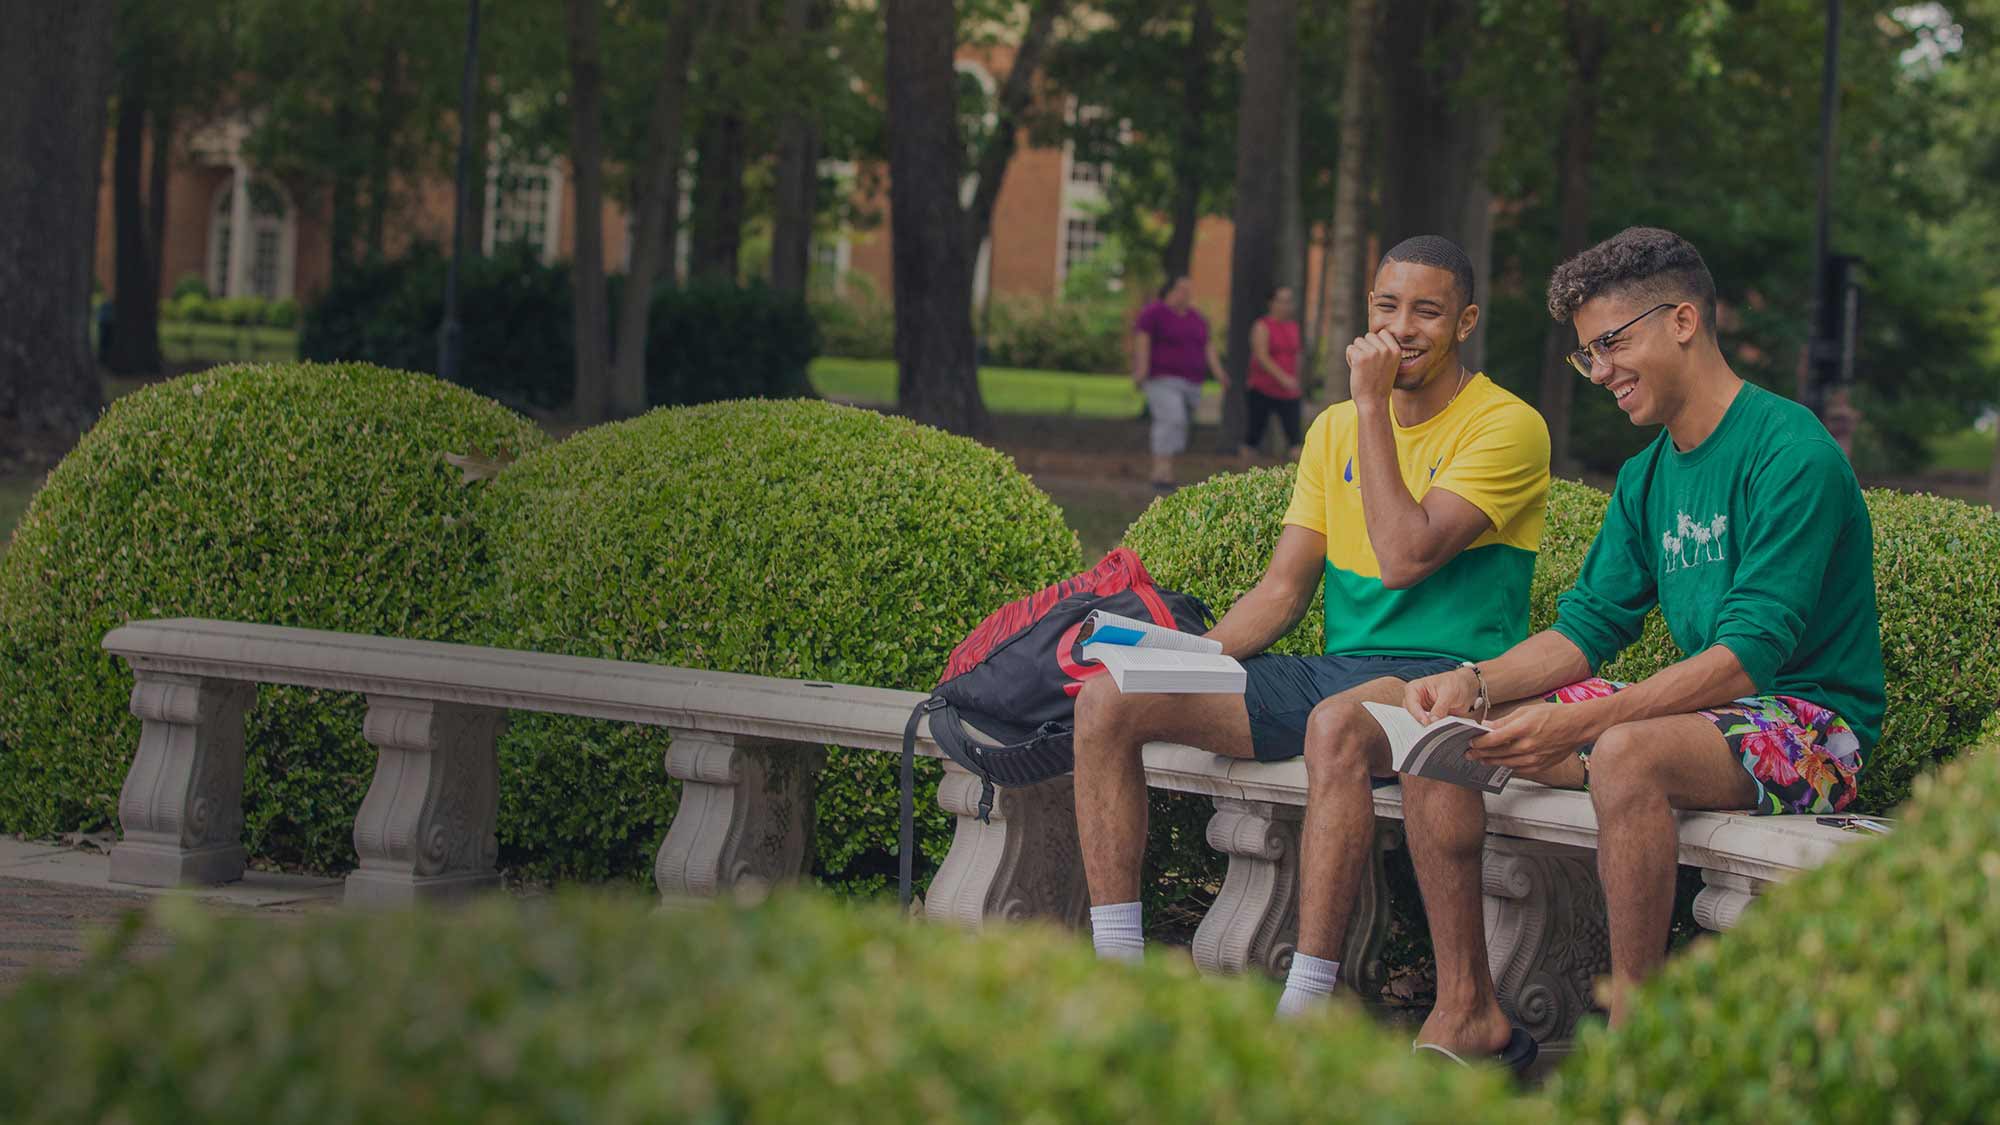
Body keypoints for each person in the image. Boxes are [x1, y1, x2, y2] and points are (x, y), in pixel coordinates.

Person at [1379, 227, 1884, 1060]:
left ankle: (1632, 1050)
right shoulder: (1651, 473)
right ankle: (1467, 1008)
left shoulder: (1790, 451)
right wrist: (1470, 681)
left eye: (1611, 344)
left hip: (1815, 728)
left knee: (1622, 754)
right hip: (1718, 718)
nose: (1601, 371)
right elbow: (1587, 628)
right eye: (1587, 356)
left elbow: (1745, 659)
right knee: (1454, 727)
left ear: (1682, 320)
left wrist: (1580, 729)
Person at [1073, 237, 1552, 1019]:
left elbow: (1404, 557)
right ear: (1368, 309)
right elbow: (1283, 589)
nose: (1402, 329)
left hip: (1447, 675)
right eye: (1387, 306)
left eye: (1427, 311)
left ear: (1465, 320)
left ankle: (1306, 1003)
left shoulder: (1507, 425)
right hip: (1342, 667)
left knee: (1336, 726)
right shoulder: (1333, 429)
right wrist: (1186, 660)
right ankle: (1117, 980)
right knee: (1106, 703)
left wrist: (1371, 407)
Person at [1132, 276, 1229, 491]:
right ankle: (1160, 470)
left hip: (1191, 382)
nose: (1186, 294)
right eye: (1181, 289)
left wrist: (1219, 372)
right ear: (1169, 291)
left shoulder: (1196, 318)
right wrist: (1141, 369)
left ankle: (1169, 468)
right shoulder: (1154, 313)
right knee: (1170, 418)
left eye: (1188, 290)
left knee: (1180, 423)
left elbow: (1208, 346)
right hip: (1162, 379)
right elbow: (1142, 340)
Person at [1241, 285, 1305, 460]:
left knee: (1295, 440)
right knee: (1253, 438)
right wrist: (1283, 378)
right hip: (1262, 389)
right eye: (1282, 301)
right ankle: (1242, 479)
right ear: (1271, 303)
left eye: (1289, 301)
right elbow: (1261, 356)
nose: (1286, 305)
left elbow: (1297, 354)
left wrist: (1295, 379)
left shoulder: (1293, 326)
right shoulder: (1262, 326)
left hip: (1289, 393)